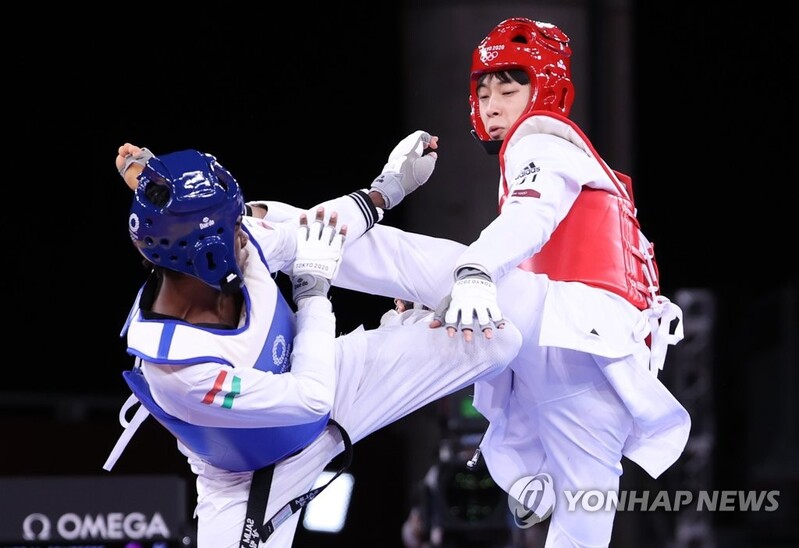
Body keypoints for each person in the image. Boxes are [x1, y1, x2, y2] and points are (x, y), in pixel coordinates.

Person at [328, 17, 691, 547]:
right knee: (575, 522)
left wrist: (473, 272)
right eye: (482, 89)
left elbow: (531, 213)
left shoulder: (540, 138)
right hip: (597, 359)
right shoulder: (573, 160)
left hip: (573, 329)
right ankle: (526, 478)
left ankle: (266, 231)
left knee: (422, 263)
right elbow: (531, 232)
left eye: (508, 86)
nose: (491, 103)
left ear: (544, 89)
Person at [102, 139, 523, 548]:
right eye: (234, 226)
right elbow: (309, 399)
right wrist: (311, 295)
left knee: (495, 338)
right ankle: (405, 324)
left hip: (325, 375)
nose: (246, 230)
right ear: (205, 253)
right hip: (250, 473)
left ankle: (410, 324)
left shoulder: (232, 249)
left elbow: (308, 233)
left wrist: (386, 190)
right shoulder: (178, 368)